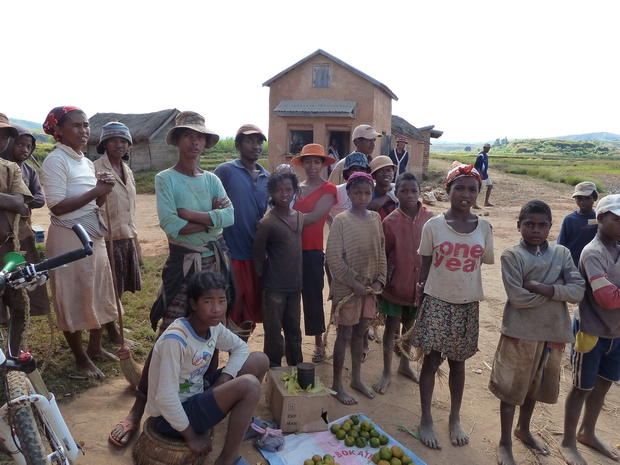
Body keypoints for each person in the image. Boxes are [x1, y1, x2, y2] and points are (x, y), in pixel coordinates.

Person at [110, 111, 241, 447]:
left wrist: (194, 216)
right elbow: (171, 226)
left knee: (212, 330)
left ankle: (199, 402)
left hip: (214, 265)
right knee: (169, 335)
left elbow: (229, 217)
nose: (195, 142)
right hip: (182, 265)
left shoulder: (211, 179)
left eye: (200, 137)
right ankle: (137, 412)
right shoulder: (165, 179)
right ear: (178, 141)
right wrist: (210, 221)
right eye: (188, 136)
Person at [491, 200, 584, 465]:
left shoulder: (562, 253)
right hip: (519, 333)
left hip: (553, 334)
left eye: (542, 225)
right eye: (529, 224)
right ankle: (504, 442)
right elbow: (518, 298)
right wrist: (557, 290)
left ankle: (524, 429)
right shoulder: (512, 255)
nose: (536, 229)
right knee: (511, 389)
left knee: (535, 386)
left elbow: (577, 291)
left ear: (550, 227)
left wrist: (540, 287)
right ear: (519, 225)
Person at [146, 270, 269, 464]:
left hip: (197, 393)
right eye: (208, 301)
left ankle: (244, 426)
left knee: (259, 359)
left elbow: (240, 347)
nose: (217, 309)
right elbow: (165, 398)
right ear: (193, 304)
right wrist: (191, 436)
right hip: (171, 418)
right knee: (250, 385)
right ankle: (228, 459)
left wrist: (224, 379)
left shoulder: (213, 327)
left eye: (222, 300)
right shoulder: (176, 339)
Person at [412, 162, 494, 450]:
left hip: (467, 303)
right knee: (432, 360)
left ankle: (455, 417)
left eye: (472, 189)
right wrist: (420, 301)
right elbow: (424, 267)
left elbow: (480, 264)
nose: (465, 193)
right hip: (436, 300)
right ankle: (425, 418)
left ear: (477, 194)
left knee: (458, 363)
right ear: (448, 190)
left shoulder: (484, 228)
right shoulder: (433, 226)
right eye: (459, 187)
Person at [40, 106, 119, 380]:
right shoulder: (55, 161)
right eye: (76, 125)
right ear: (58, 131)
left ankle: (95, 347)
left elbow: (94, 203)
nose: (83, 130)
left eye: (86, 125)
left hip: (91, 235)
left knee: (98, 288)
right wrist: (98, 189)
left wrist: (103, 191)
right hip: (67, 238)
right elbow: (58, 207)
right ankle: (80, 357)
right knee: (72, 295)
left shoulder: (84, 162)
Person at [560, 194, 620, 465]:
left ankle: (588, 432)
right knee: (582, 388)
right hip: (591, 331)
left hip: (616, 333)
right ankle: (568, 441)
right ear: (601, 219)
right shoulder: (593, 252)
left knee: (603, 386)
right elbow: (607, 298)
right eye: (617, 220)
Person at [326, 171, 386, 404]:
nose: (363, 197)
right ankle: (337, 383)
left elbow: (381, 251)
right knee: (344, 334)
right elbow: (334, 257)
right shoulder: (341, 220)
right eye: (357, 192)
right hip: (347, 289)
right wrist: (353, 281)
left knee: (361, 332)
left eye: (367, 193)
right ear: (348, 194)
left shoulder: (375, 219)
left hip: (369, 288)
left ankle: (356, 379)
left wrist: (380, 278)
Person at [373, 172, 433, 395]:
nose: (409, 195)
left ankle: (405, 364)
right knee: (391, 326)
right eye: (403, 191)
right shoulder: (390, 222)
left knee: (410, 326)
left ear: (420, 192)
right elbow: (384, 254)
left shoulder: (431, 219)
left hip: (419, 287)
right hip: (395, 286)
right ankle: (387, 371)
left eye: (413, 191)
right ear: (395, 193)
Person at [214, 124, 269, 341]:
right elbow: (212, 202)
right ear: (238, 145)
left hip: (256, 253)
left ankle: (238, 357)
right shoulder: (225, 171)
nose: (255, 146)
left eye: (259, 142)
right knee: (228, 308)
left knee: (249, 312)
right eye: (249, 141)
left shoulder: (267, 176)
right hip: (230, 252)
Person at [0, 124, 50, 354]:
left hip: (16, 240)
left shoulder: (14, 169)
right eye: (18, 143)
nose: (24, 149)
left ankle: (13, 354)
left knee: (21, 298)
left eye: (28, 146)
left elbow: (22, 202)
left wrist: (15, 202)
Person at [93, 121, 141, 348]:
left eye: (124, 141)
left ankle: (113, 324)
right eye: (114, 140)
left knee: (118, 287)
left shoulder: (127, 169)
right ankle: (112, 332)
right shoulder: (95, 168)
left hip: (126, 235)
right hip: (107, 237)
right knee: (109, 288)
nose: (120, 145)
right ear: (104, 143)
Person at [252, 170, 304, 367]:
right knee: (273, 333)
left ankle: (296, 368)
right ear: (271, 193)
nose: (284, 194)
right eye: (279, 190)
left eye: (288, 189)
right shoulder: (267, 223)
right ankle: (273, 370)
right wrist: (264, 277)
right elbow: (257, 254)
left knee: (294, 331)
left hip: (295, 286)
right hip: (273, 288)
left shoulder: (299, 217)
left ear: (295, 191)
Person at [292, 143, 337, 363]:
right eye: (307, 161)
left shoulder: (328, 189)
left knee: (313, 299)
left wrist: (281, 220)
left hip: (312, 251)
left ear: (322, 165)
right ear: (301, 163)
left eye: (316, 162)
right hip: (288, 251)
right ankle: (291, 342)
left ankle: (319, 344)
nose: (312, 165)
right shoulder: (294, 188)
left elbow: (313, 217)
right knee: (288, 299)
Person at [557, 181, 599, 267]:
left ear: (594, 198)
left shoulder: (600, 217)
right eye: (579, 198)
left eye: (587, 198)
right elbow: (561, 244)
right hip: (573, 263)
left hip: (596, 262)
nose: (582, 202)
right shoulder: (570, 220)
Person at [328, 152, 370, 222]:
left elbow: (392, 188)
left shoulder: (372, 188)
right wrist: (333, 222)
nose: (358, 173)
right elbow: (321, 207)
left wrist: (385, 198)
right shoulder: (337, 191)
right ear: (347, 172)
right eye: (354, 169)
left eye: (362, 169)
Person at [369, 155, 398, 220]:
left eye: (388, 170)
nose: (385, 174)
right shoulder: (368, 197)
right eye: (381, 171)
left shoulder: (400, 193)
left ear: (393, 174)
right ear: (373, 176)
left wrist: (385, 198)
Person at [473, 143, 493, 208]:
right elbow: (476, 165)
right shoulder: (481, 155)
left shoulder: (485, 156)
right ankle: (474, 204)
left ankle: (486, 202)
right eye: (487, 148)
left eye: (489, 148)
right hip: (481, 174)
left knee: (490, 186)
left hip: (485, 175)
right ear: (484, 148)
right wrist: (480, 173)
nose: (488, 149)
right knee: (478, 189)